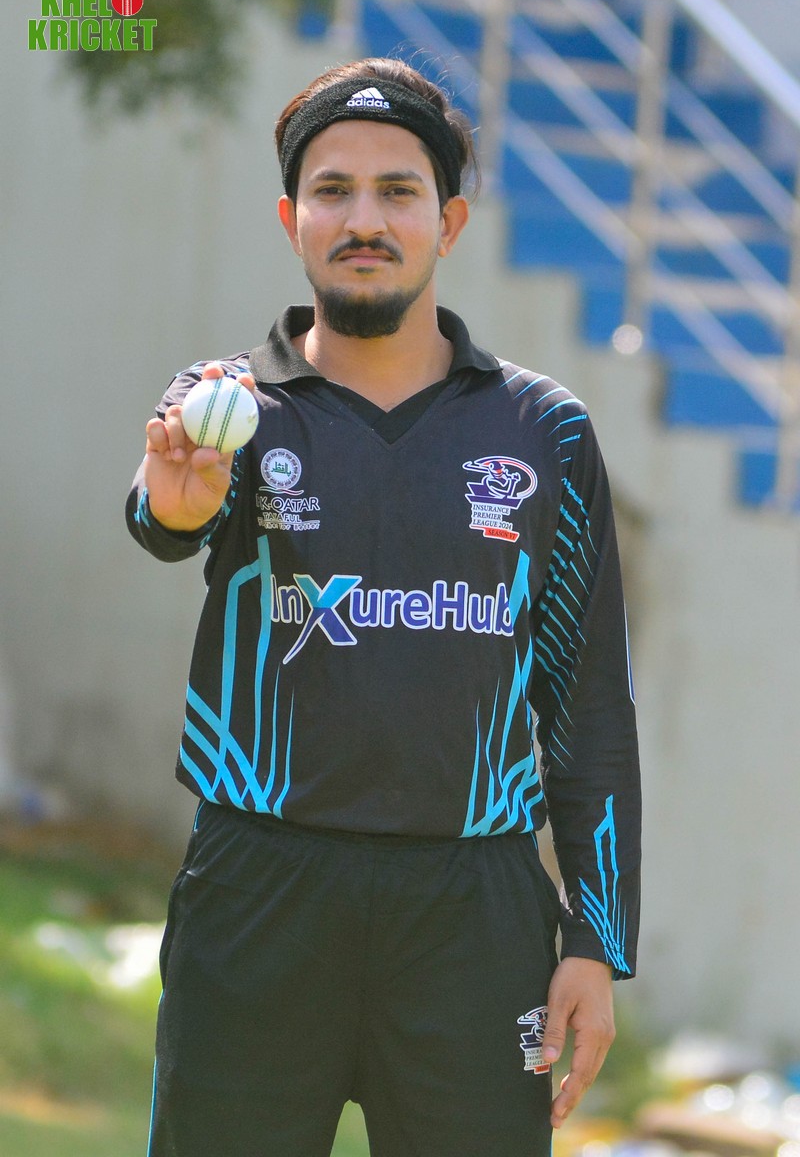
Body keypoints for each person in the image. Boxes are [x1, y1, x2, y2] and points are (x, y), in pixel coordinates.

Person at [127, 56, 641, 1157]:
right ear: (291, 220)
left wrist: (595, 940)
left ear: (448, 222)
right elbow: (161, 516)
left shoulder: (543, 430)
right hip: (257, 898)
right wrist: (179, 504)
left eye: (398, 191)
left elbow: (587, 702)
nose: (364, 219)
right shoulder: (225, 406)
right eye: (333, 190)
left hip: (474, 915)